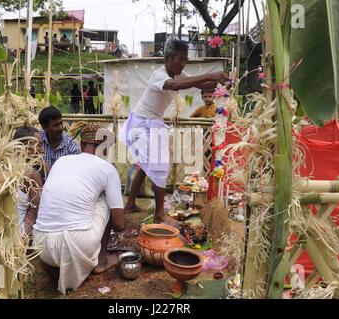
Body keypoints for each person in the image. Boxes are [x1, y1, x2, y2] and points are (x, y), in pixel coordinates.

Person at [118, 39, 229, 225]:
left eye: (186, 60)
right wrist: (212, 74)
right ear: (168, 58)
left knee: (145, 167)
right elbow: (176, 86)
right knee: (159, 165)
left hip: (152, 123)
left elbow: (200, 85)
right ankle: (160, 213)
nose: (183, 64)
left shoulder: (178, 73)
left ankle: (130, 204)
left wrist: (220, 82)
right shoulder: (159, 76)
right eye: (180, 59)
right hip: (141, 123)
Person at [33, 123, 126, 294]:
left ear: (81, 145)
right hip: (76, 243)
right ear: (105, 150)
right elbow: (119, 224)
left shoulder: (61, 161)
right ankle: (101, 260)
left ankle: (56, 266)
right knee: (106, 197)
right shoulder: (107, 168)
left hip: (40, 245)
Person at [13, 126, 50, 237]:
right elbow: (40, 210)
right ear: (26, 147)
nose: (42, 150)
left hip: (4, 236)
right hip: (21, 236)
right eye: (39, 145)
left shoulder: (6, 167)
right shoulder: (31, 174)